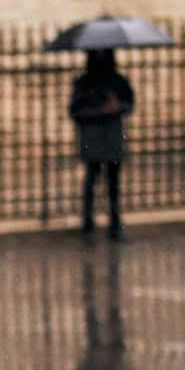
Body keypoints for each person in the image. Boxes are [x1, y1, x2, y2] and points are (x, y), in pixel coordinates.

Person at [68, 47, 136, 242]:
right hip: (93, 138)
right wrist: (100, 111)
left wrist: (118, 107)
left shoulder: (118, 81)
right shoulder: (84, 83)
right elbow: (75, 111)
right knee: (92, 182)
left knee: (112, 184)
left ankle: (114, 225)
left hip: (111, 137)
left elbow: (129, 103)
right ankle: (89, 225)